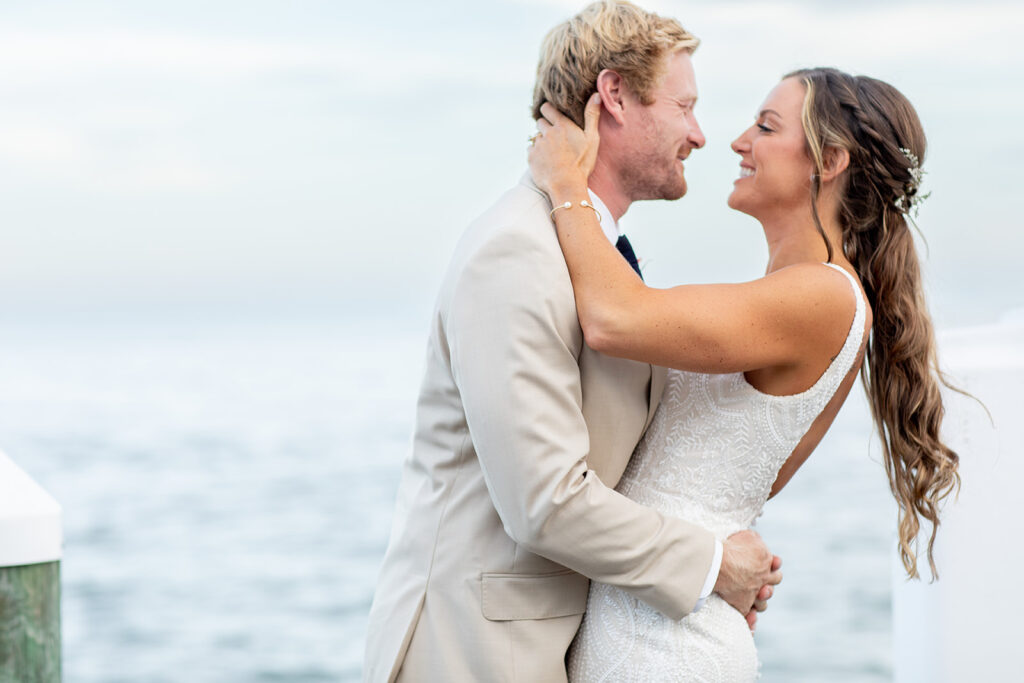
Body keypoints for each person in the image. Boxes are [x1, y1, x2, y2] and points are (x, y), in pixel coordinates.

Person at [362, 2, 783, 681]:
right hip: (471, 651)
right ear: (615, 95)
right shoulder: (516, 252)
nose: (701, 134)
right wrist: (708, 563)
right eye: (684, 106)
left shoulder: (591, 253)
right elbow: (546, 500)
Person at [528, 65, 961, 679]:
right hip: (663, 609)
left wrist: (564, 181)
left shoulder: (823, 297)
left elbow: (613, 321)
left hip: (668, 643)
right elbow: (728, 486)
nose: (737, 142)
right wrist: (723, 563)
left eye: (766, 126)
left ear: (828, 160)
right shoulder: (797, 296)